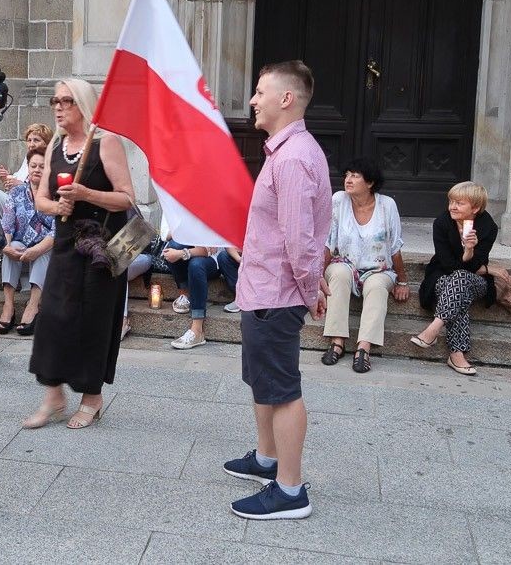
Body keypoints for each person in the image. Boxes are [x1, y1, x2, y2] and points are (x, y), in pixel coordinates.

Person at [225, 60, 331, 520]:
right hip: (263, 289)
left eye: (259, 91)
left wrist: (310, 289)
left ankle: (290, 491)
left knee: (283, 389)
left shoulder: (292, 158)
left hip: (277, 294)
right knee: (263, 381)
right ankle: (267, 459)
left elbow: (299, 239)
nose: (252, 100)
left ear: (286, 99)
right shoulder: (287, 151)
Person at [24, 78, 135, 430]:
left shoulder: (106, 142)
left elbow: (126, 197)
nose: (58, 107)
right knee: (52, 318)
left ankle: (92, 398)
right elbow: (41, 199)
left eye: (66, 101)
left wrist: (87, 194)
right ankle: (54, 397)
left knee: (93, 323)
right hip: (65, 244)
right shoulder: (56, 145)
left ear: (83, 103)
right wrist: (58, 207)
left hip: (100, 249)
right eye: (55, 101)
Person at [320, 158, 410, 373]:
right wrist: (318, 277)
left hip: (379, 268)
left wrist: (402, 281)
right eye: (347, 175)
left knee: (377, 286)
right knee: (339, 274)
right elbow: (328, 242)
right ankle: (337, 342)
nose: (348, 180)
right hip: (344, 263)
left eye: (355, 176)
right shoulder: (339, 200)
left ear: (369, 182)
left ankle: (364, 347)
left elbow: (395, 246)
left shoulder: (387, 205)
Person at [411, 181, 501, 376]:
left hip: (475, 281)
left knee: (460, 279)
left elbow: (474, 266)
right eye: (451, 201)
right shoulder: (442, 222)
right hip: (442, 276)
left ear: (475, 208)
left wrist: (469, 250)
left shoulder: (488, 227)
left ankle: (434, 328)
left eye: (459, 203)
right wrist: (476, 263)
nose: (452, 207)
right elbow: (447, 264)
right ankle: (456, 355)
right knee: (458, 286)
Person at [0, 148, 55, 336]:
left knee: (43, 252)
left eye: (42, 166)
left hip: (46, 246)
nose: (37, 169)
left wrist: (36, 250)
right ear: (28, 167)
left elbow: (56, 232)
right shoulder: (17, 192)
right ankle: (8, 305)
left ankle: (33, 305)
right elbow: (7, 225)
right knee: (11, 247)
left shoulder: (56, 194)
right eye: (33, 165)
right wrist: (6, 246)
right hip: (21, 243)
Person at [163, 240, 224, 350]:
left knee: (196, 264)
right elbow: (166, 235)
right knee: (173, 246)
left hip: (213, 261)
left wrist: (182, 253)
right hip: (189, 255)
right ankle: (184, 294)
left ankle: (197, 330)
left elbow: (210, 250)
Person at [0, 123, 54, 190]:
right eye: (29, 140)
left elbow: (46, 188)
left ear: (46, 143)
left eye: (36, 140)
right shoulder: (28, 157)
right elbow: (19, 178)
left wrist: (21, 185)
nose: (31, 144)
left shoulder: (51, 161)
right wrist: (6, 178)